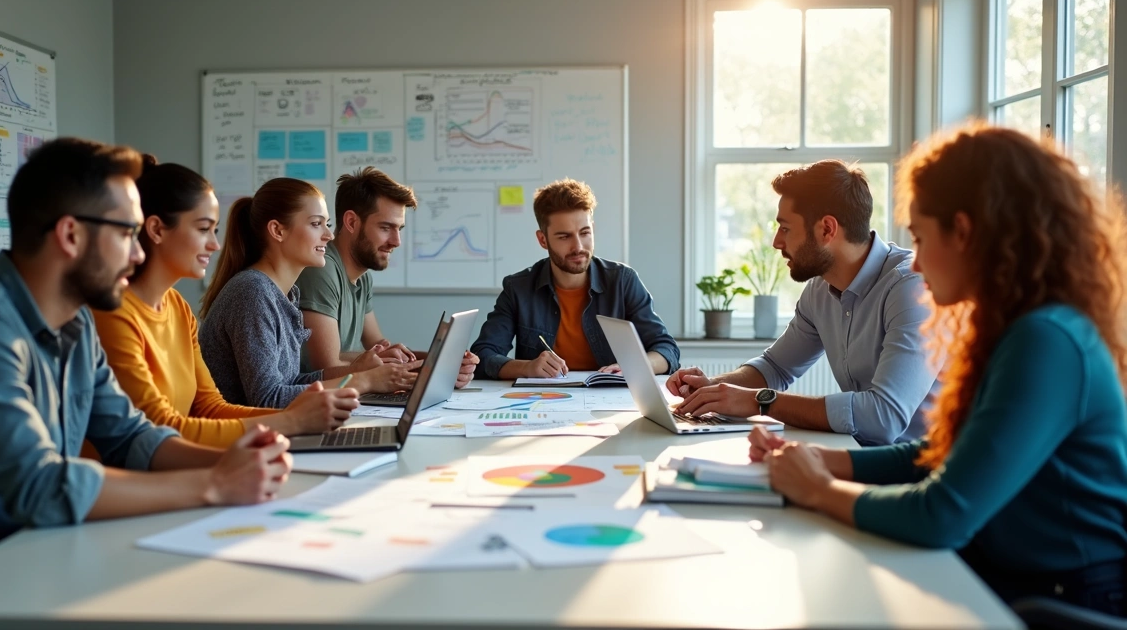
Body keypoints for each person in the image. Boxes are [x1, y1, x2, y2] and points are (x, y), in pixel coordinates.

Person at [749, 124, 1127, 615]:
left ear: (965, 233)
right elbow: (943, 454)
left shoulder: (1046, 340)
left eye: (923, 239)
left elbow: (942, 513)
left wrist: (819, 489)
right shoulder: (1017, 328)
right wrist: (825, 460)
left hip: (1061, 599)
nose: (919, 265)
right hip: (1014, 575)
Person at [0, 138, 295, 575]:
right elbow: (40, 485)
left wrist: (240, 462)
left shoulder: (75, 325)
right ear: (71, 235)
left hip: (40, 554)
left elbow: (131, 436)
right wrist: (214, 484)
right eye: (127, 233)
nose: (137, 254)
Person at [667, 160, 939, 446]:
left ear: (826, 229)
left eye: (785, 228)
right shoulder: (820, 289)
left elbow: (884, 418)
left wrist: (760, 402)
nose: (775, 242)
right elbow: (775, 368)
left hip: (921, 473)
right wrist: (713, 388)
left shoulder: (913, 287)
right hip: (862, 455)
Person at [92, 158, 357, 447]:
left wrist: (300, 422)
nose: (215, 245)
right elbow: (157, 429)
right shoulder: (115, 312)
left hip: (188, 459)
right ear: (156, 230)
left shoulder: (178, 308)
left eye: (215, 230)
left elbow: (210, 408)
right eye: (203, 229)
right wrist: (292, 422)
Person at [199, 177, 419, 409]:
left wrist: (356, 373)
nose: (329, 235)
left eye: (327, 223)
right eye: (316, 224)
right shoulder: (253, 292)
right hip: (241, 439)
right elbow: (268, 399)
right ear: (277, 230)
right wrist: (361, 381)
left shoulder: (284, 294)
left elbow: (292, 383)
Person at [471, 178, 679, 379]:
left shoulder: (623, 281)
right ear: (543, 239)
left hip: (609, 401)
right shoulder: (518, 288)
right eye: (564, 236)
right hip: (541, 401)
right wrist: (527, 367)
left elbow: (666, 349)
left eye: (585, 233)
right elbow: (483, 354)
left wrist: (634, 367)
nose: (578, 246)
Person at [295, 167, 477, 387]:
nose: (396, 241)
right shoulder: (321, 271)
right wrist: (430, 371)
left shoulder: (362, 278)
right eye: (385, 228)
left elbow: (381, 348)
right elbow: (326, 366)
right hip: (316, 403)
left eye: (399, 228)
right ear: (352, 222)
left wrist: (443, 362)